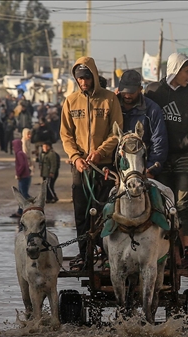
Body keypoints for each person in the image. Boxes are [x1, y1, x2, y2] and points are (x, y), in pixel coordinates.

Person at [146, 52, 188, 267]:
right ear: (175, 70)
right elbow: (143, 116)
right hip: (160, 158)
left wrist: (187, 140)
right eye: (187, 71)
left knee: (184, 205)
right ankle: (166, 253)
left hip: (184, 157)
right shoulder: (154, 91)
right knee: (163, 204)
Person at [60, 56, 124, 270]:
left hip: (104, 166)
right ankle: (84, 255)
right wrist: (76, 157)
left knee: (106, 212)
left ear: (94, 76)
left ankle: (106, 256)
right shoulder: (70, 101)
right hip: (80, 167)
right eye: (80, 79)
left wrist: (100, 152)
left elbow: (116, 133)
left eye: (87, 77)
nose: (84, 82)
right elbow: (66, 135)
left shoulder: (109, 100)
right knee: (81, 213)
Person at [116, 69, 168, 178]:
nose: (127, 96)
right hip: (116, 168)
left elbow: (159, 141)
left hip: (144, 168)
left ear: (140, 89)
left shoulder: (152, 110)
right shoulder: (112, 106)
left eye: (131, 92)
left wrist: (150, 169)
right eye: (124, 91)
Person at [11, 139, 32, 219]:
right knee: (22, 195)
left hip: (23, 177)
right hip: (25, 176)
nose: (13, 147)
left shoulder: (19, 154)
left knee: (23, 195)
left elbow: (22, 165)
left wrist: (19, 174)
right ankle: (20, 211)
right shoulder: (21, 153)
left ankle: (32, 208)